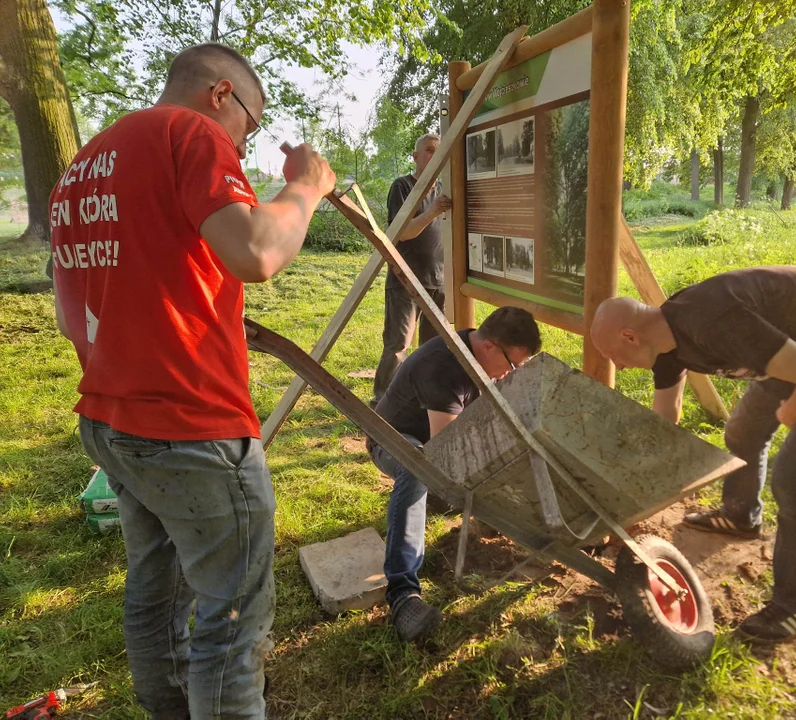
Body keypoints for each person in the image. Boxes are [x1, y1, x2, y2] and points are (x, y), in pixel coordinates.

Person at [49, 43, 336, 719]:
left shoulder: (86, 165)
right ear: (220, 95)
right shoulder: (191, 133)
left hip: (112, 417)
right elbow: (258, 251)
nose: (244, 142)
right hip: (188, 426)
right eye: (250, 123)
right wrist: (306, 187)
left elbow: (73, 315)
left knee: (157, 591)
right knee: (231, 623)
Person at [590, 266, 796, 644]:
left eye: (613, 355)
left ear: (629, 335)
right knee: (742, 430)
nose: (617, 365)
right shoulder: (666, 341)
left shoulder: (716, 321)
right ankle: (740, 516)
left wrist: (792, 412)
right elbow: (665, 418)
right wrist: (633, 478)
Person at [369, 306, 542, 642]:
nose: (510, 374)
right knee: (417, 469)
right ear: (490, 347)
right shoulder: (444, 367)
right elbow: (447, 453)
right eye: (512, 366)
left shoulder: (478, 352)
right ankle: (403, 595)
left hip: (435, 436)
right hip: (392, 440)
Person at [371, 133, 453, 405]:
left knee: (431, 349)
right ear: (416, 157)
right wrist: (432, 212)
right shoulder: (403, 187)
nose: (433, 156)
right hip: (405, 280)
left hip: (438, 281)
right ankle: (383, 403)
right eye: (428, 151)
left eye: (438, 152)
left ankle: (421, 400)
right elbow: (401, 233)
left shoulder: (445, 189)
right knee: (397, 347)